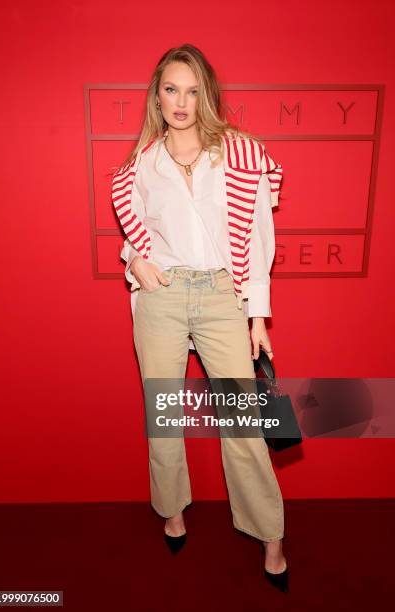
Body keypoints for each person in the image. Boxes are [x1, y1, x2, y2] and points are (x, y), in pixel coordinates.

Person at [111, 44, 288, 593]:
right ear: (157, 95)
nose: (181, 102)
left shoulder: (238, 154)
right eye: (171, 89)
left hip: (221, 296)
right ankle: (171, 508)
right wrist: (136, 260)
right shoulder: (142, 164)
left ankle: (270, 533)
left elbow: (260, 239)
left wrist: (257, 316)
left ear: (206, 95)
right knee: (164, 418)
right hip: (161, 297)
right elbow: (132, 237)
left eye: (192, 90)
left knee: (243, 423)